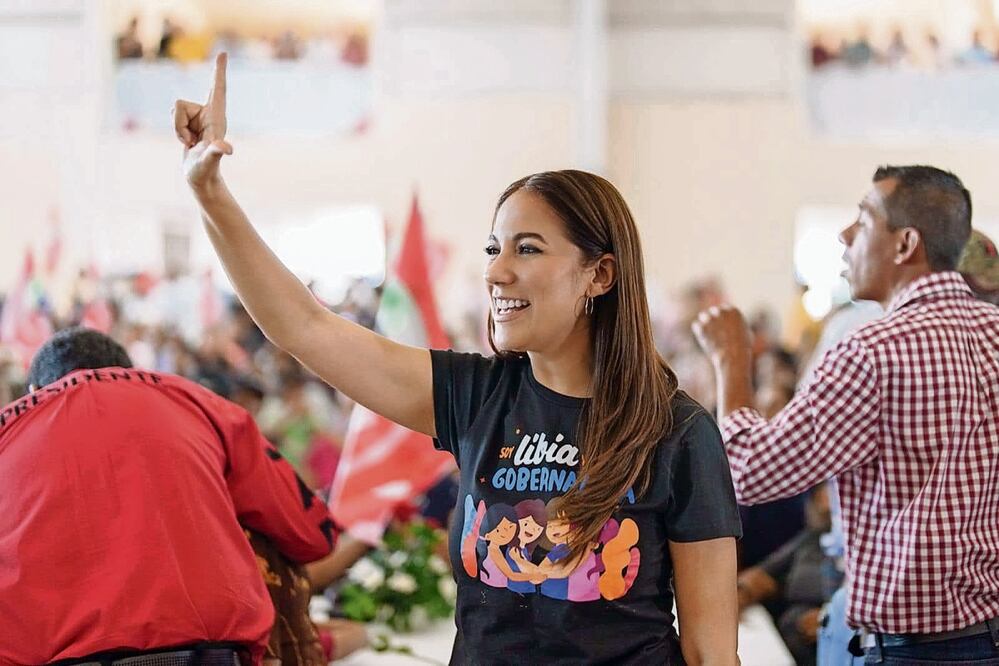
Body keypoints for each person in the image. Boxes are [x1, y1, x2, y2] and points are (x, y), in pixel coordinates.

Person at [174, 53, 742, 665]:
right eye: (494, 248)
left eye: (527, 249)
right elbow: (305, 327)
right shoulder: (474, 397)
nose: (496, 272)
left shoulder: (678, 432)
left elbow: (712, 654)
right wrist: (209, 192)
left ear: (599, 275)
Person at [693, 165, 999, 664]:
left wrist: (731, 361)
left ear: (905, 245)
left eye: (863, 218)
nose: (845, 234)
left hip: (909, 652)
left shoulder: (871, 351)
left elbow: (749, 472)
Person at [0, 328, 337, 664]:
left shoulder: (8, 430)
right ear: (133, 374)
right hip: (203, 653)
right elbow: (314, 536)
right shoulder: (196, 402)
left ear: (33, 391)